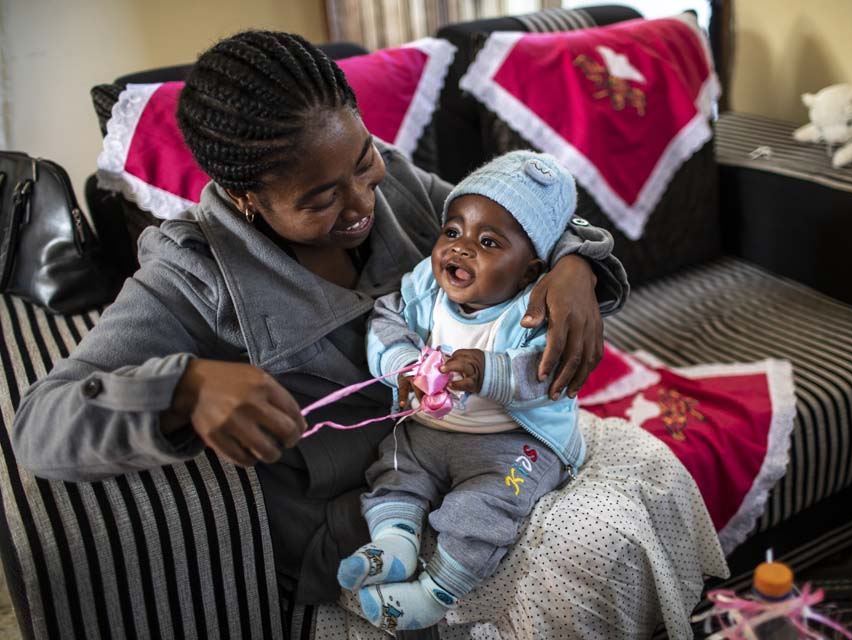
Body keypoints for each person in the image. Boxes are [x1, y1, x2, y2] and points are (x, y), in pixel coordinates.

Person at [11, 31, 627, 605]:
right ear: (248, 198)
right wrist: (184, 387)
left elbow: (511, 218)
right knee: (586, 566)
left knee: (628, 525)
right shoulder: (194, 274)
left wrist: (574, 262)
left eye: (362, 163)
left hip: (483, 458)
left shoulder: (397, 183)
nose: (363, 202)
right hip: (368, 520)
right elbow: (41, 424)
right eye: (320, 199)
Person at [337, 151, 586, 631]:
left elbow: (549, 372)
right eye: (453, 232)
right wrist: (403, 367)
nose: (460, 248)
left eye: (488, 242)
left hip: (514, 445)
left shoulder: (533, 310)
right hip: (431, 432)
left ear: (531, 270)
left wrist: (488, 370)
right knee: (394, 468)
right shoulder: (427, 287)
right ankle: (395, 543)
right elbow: (387, 320)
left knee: (486, 508)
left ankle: (434, 593)